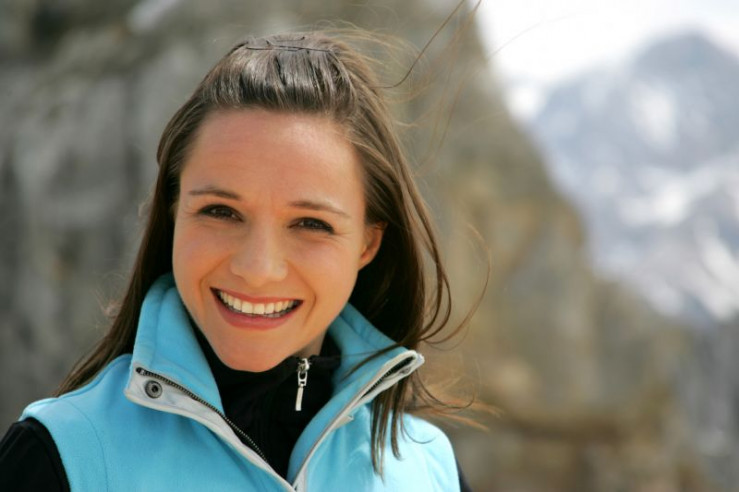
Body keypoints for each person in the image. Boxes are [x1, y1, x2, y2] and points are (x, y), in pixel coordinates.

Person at [0, 31, 473, 491]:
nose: (258, 268)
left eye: (311, 223)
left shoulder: (430, 469)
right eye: (221, 212)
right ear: (174, 212)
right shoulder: (60, 457)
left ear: (367, 245)